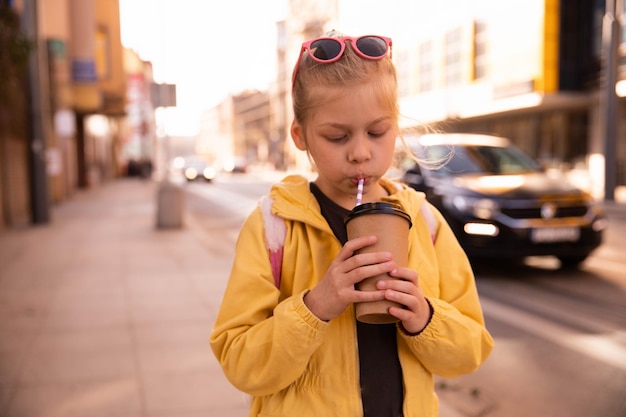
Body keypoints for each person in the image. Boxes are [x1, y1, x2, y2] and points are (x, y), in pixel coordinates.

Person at [210, 31, 494, 417]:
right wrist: (315, 307)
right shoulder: (273, 227)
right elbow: (241, 364)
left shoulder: (425, 222)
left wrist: (425, 318)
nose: (361, 153)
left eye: (377, 132)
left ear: (395, 126)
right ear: (301, 135)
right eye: (337, 136)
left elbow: (468, 353)